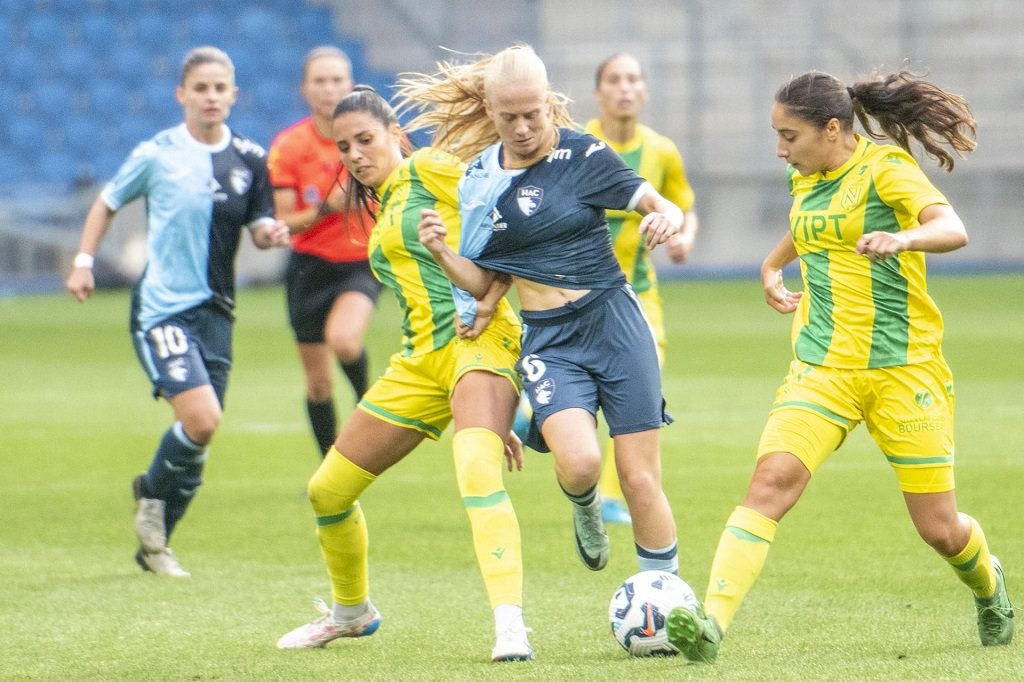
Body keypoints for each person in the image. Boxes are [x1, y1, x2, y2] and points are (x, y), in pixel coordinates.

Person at [666, 68, 1015, 663]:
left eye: (789, 136)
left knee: (939, 528)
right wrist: (771, 265)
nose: (780, 149)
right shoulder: (805, 173)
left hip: (903, 371)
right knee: (769, 485)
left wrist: (903, 240)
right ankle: (710, 625)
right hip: (821, 369)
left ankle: (989, 585)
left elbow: (952, 228)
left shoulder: (885, 169)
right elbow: (811, 229)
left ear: (832, 129)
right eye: (776, 135)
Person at [276, 86, 533, 662]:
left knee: (475, 472)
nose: (355, 155)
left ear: (395, 135)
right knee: (328, 490)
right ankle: (352, 613)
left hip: (479, 344)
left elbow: (511, 210)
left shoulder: (430, 168)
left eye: (366, 140)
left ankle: (511, 625)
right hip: (421, 362)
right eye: (344, 147)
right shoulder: (386, 200)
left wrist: (494, 298)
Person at [409, 44, 682, 578]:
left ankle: (664, 596)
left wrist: (666, 217)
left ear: (549, 106)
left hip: (616, 324)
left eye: (533, 114)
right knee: (580, 465)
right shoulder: (481, 184)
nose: (523, 128)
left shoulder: (585, 156)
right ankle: (583, 507)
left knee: (638, 476)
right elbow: (486, 279)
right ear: (491, 113)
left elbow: (655, 201)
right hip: (551, 342)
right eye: (508, 117)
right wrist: (442, 253)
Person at [65, 46, 290, 577]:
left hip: (217, 311)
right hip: (163, 308)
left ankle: (155, 531)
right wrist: (82, 261)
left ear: (234, 95)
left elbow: (258, 225)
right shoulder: (158, 152)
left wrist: (270, 232)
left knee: (200, 431)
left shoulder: (251, 160)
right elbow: (107, 201)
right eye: (201, 89)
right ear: (182, 95)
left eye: (220, 89)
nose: (211, 97)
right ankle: (154, 519)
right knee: (202, 418)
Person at [585, 52, 700, 525]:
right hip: (581, 294)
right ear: (599, 92)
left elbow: (684, 208)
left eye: (633, 79)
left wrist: (684, 239)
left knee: (644, 382)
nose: (625, 88)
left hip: (639, 293)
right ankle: (532, 407)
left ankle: (613, 496)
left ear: (645, 90)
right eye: (614, 79)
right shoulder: (579, 145)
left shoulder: (661, 151)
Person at [267, 46, 382, 459]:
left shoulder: (371, 137)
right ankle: (330, 468)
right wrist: (327, 207)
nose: (329, 88)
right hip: (308, 267)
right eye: (320, 80)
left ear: (350, 85)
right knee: (317, 384)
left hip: (360, 261)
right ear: (305, 88)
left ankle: (368, 399)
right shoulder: (290, 146)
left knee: (345, 341)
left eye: (337, 80)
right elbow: (284, 221)